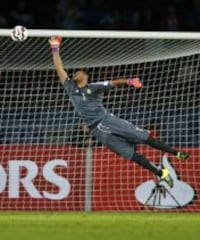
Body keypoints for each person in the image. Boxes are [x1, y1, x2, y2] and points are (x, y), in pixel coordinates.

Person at [49, 36, 190, 189]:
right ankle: (161, 173)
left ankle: (176, 154)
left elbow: (113, 82)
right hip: (98, 132)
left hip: (107, 120)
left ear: (85, 76)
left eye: (79, 72)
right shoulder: (70, 88)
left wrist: (129, 81)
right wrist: (55, 48)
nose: (75, 74)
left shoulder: (93, 87)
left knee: (144, 138)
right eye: (75, 73)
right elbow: (59, 69)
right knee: (131, 155)